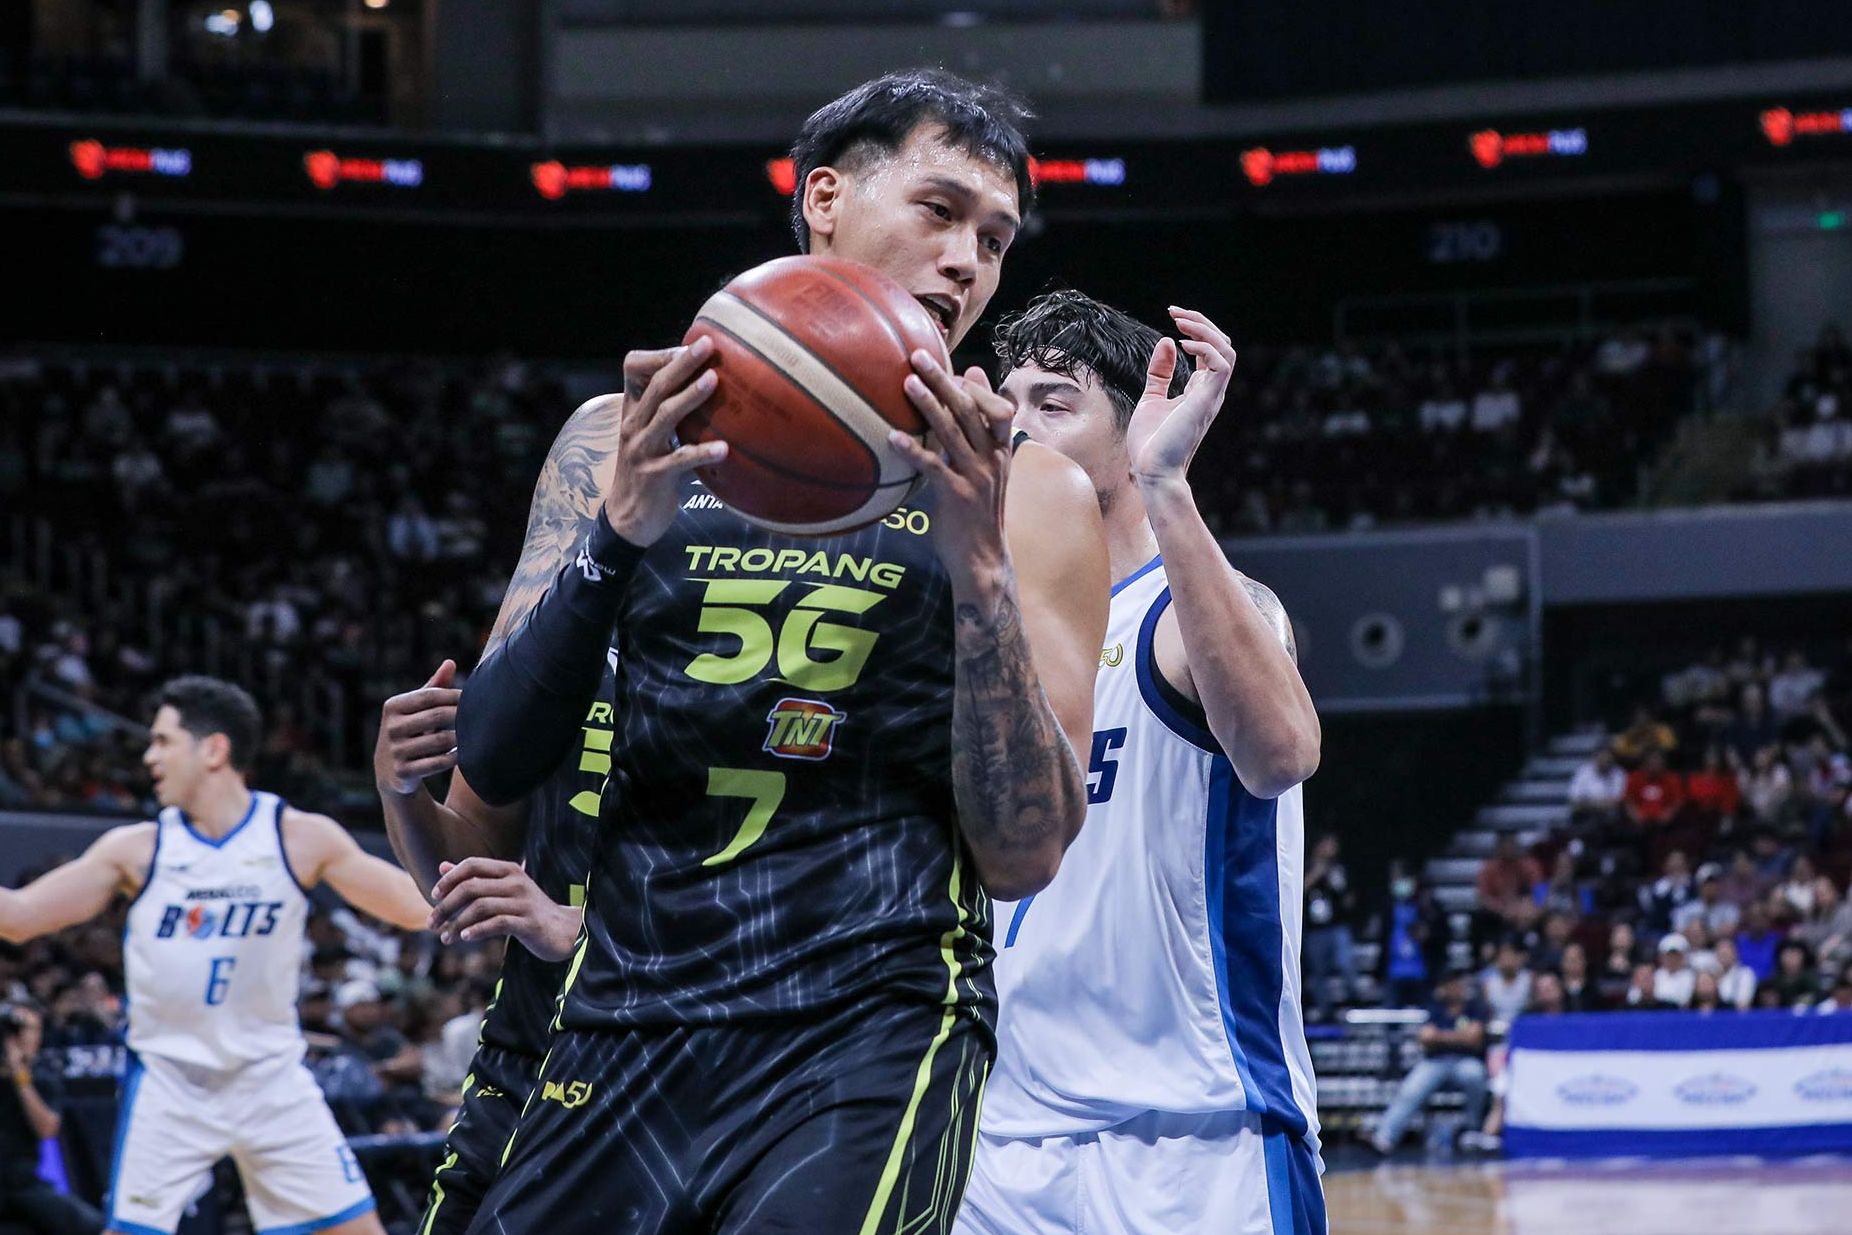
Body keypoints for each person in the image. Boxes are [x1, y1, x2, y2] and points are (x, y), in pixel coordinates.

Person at [446, 71, 1111, 1235]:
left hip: (870, 1025)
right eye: (940, 210)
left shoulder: (1032, 490)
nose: (967, 260)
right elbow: (492, 763)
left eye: (995, 239)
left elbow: (1026, 851)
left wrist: (979, 569)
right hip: (620, 1017)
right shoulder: (619, 438)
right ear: (824, 198)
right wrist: (617, 533)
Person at [959, 289, 1323, 1235]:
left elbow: (1283, 752)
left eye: (1055, 403)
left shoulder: (1188, 609)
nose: (1018, 426)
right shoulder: (989, 640)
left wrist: (1168, 487)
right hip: (999, 1144)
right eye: (1009, 401)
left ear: (1133, 434)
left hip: (1194, 1144)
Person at [0, 676, 432, 1235]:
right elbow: (20, 917)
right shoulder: (137, 850)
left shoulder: (300, 838)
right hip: (171, 1085)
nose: (149, 756)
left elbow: (417, 907)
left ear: (213, 749)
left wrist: (505, 859)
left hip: (270, 1079)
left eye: (162, 741)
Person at [372, 647, 609, 1235]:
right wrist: (400, 787)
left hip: (710, 1042)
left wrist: (589, 930)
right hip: (538, 1042)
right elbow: (464, 869)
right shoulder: (547, 616)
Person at [0, 1000, 103, 1235]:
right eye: (15, 1029)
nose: (22, 1037)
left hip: (23, 1182)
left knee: (94, 1225)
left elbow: (47, 1129)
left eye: (31, 1029)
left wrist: (19, 1075)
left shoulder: (43, 1080)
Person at [1369, 972, 1490, 1156]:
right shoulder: (1436, 1007)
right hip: (1436, 1061)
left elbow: (1474, 1038)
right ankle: (1385, 1136)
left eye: (1457, 984)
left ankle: (1472, 1129)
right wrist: (1458, 1038)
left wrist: (1440, 1037)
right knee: (1411, 1089)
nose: (1454, 988)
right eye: (1449, 984)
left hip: (1465, 1061)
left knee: (1475, 1075)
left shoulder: (1474, 1007)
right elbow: (1425, 1037)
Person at [1302, 832, 1359, 1020]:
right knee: (1318, 971)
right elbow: (1300, 890)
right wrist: (1317, 873)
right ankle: (1325, 1011)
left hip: (1337, 925)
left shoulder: (1338, 869)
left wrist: (1335, 880)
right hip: (1315, 929)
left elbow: (1348, 898)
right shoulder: (1305, 865)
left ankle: (1353, 998)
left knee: (1346, 962)